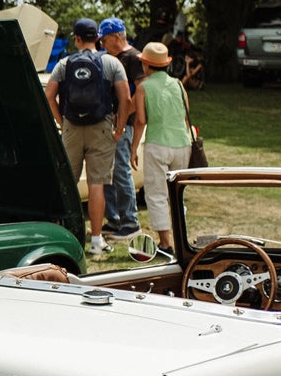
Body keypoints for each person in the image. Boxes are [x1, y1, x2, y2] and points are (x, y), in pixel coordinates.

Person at [45, 18, 131, 258]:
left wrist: (62, 123)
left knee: (68, 184)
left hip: (72, 127)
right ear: (97, 38)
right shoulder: (111, 62)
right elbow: (125, 98)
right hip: (101, 127)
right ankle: (95, 241)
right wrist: (120, 127)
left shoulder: (64, 63)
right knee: (96, 184)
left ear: (77, 38)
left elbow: (49, 94)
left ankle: (63, 236)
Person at [134, 41, 193, 254]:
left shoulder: (143, 88)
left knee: (156, 193)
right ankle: (181, 238)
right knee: (177, 194)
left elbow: (140, 121)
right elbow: (186, 113)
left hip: (157, 143)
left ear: (146, 65)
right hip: (182, 143)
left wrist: (133, 149)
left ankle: (165, 242)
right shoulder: (178, 84)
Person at [99, 17, 145, 238]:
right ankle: (114, 219)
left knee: (120, 171)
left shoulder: (133, 58)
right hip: (108, 122)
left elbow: (141, 90)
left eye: (104, 39)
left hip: (123, 125)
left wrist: (125, 114)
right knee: (107, 172)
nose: (102, 44)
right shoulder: (110, 58)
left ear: (117, 36)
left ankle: (130, 222)